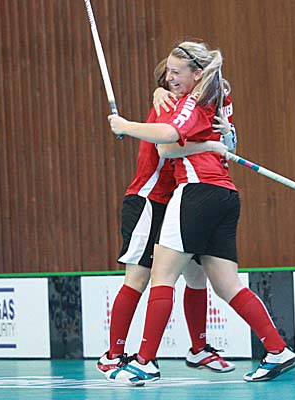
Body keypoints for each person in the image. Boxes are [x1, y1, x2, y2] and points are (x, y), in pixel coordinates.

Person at [106, 41, 295, 385]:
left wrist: (124, 125)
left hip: (196, 191)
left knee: (162, 277)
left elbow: (167, 141)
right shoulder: (219, 94)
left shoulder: (192, 101)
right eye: (167, 73)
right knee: (227, 284)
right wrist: (209, 141)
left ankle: (145, 362)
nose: (169, 78)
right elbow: (227, 143)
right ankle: (277, 350)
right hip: (226, 195)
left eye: (176, 72)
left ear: (197, 74)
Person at [96, 58, 236, 376]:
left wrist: (224, 137)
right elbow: (168, 144)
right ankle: (113, 355)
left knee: (196, 276)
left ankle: (199, 349)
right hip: (150, 200)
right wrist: (127, 124)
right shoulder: (170, 105)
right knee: (139, 278)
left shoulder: (194, 107)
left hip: (183, 201)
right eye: (171, 76)